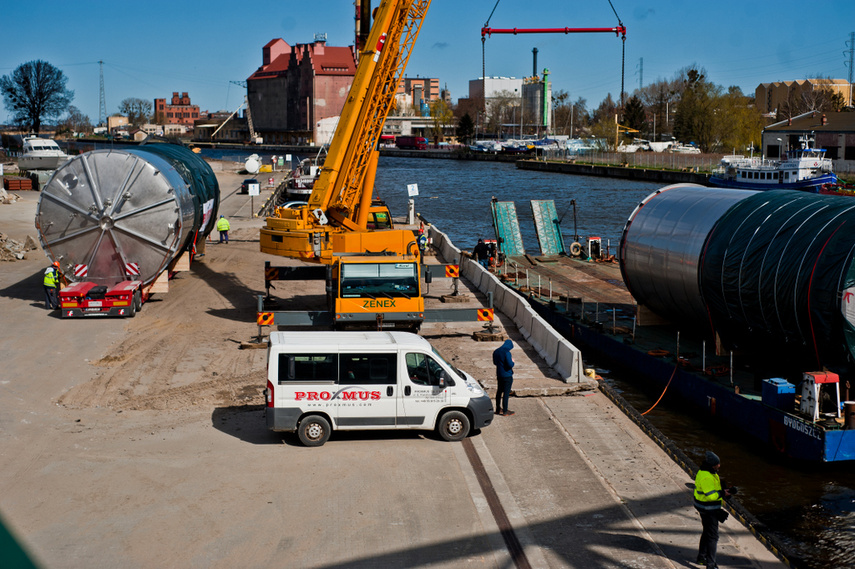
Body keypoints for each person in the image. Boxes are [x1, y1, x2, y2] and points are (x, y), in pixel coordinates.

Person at [693, 450, 735, 569]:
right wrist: (722, 494)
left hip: (705, 508)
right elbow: (711, 496)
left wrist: (725, 491)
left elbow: (714, 489)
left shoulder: (707, 472)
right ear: (713, 465)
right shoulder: (707, 477)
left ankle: (701, 558)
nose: (719, 465)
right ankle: (711, 565)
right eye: (717, 464)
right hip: (708, 509)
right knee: (713, 536)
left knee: (707, 532)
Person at [492, 339, 515, 416]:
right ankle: (505, 411)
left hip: (499, 374)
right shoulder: (507, 353)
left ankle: (498, 409)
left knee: (499, 392)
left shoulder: (496, 351)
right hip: (507, 375)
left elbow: (495, 362)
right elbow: (510, 365)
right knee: (506, 393)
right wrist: (513, 361)